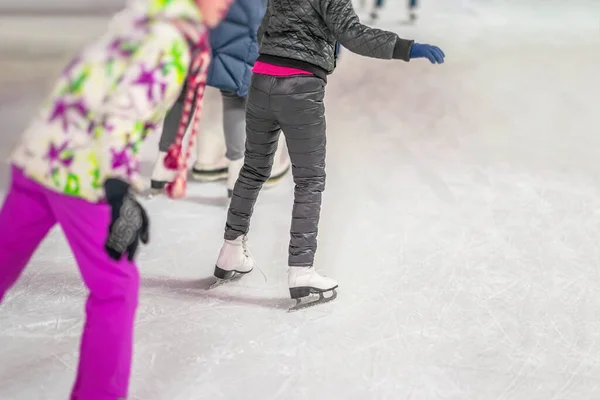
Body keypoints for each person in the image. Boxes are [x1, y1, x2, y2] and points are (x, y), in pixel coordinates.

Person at [0, 0, 230, 398]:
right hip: (80, 175)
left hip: (39, 156)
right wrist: (118, 189)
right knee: (115, 288)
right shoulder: (169, 40)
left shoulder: (141, 17)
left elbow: (78, 78)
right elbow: (123, 115)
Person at [212, 0, 445, 310]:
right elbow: (352, 34)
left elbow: (263, 29)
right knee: (309, 179)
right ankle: (301, 272)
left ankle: (230, 251)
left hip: (262, 79)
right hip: (299, 88)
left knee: (253, 170)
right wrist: (406, 48)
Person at [151, 0, 291, 198]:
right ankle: (237, 171)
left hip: (202, 16)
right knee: (235, 94)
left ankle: (164, 164)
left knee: (186, 90)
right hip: (244, 18)